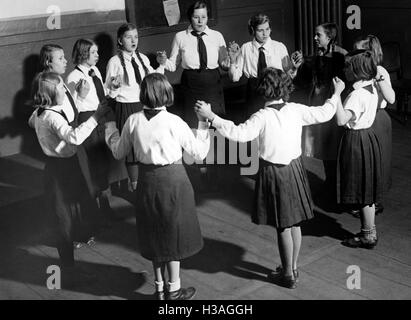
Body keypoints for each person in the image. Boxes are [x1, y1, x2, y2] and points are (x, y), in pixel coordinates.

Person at [195, 68, 345, 289]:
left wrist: (211, 117)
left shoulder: (261, 116)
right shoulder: (295, 109)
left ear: (263, 90)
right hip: (295, 170)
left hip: (274, 173)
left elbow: (239, 134)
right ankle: (292, 267)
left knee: (283, 225)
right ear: (286, 88)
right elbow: (324, 112)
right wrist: (337, 93)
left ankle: (286, 275)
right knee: (294, 223)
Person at [105, 73, 210, 300]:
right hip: (174, 181)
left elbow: (118, 152)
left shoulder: (133, 120)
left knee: (154, 234)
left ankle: (160, 289)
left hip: (146, 181)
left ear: (143, 94)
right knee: (173, 234)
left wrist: (110, 130)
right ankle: (174, 289)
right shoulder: (174, 122)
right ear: (166, 93)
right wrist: (203, 122)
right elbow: (200, 152)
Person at [28, 72, 110, 286]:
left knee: (69, 214)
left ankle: (69, 264)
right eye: (62, 88)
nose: (66, 91)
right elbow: (74, 137)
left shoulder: (41, 113)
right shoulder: (53, 116)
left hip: (61, 166)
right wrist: (96, 116)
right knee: (63, 218)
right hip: (61, 169)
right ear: (52, 93)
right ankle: (69, 270)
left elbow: (31, 122)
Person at [36, 44, 96, 249]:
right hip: (65, 145)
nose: (65, 61)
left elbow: (69, 113)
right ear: (48, 62)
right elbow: (44, 117)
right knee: (63, 200)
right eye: (60, 58)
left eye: (64, 57)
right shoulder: (47, 87)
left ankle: (79, 232)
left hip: (71, 142)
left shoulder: (60, 83)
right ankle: (68, 237)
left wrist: (79, 96)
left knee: (80, 188)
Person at [105, 23, 166, 192]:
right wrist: (115, 87)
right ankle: (135, 188)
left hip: (145, 106)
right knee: (132, 148)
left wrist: (161, 65)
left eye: (136, 37)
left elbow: (154, 80)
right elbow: (109, 93)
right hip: (126, 107)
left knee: (146, 143)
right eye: (128, 37)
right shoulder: (114, 62)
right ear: (120, 40)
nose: (133, 40)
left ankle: (148, 185)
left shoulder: (143, 59)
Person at [335, 50, 382, 249]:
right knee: (366, 189)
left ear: (356, 70)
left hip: (356, 140)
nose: (344, 69)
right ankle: (369, 232)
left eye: (347, 66)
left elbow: (341, 119)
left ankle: (367, 234)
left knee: (361, 189)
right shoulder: (371, 87)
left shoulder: (356, 95)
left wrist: (336, 94)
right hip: (368, 138)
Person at [66, 39, 114, 224]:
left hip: (101, 116)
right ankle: (97, 212)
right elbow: (68, 106)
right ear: (84, 54)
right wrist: (81, 96)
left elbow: (101, 94)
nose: (98, 55)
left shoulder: (95, 71)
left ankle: (105, 205)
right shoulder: (72, 77)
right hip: (87, 120)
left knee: (103, 160)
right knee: (93, 163)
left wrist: (112, 88)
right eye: (93, 52)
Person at [162, 0, 229, 128]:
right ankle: (198, 147)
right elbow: (173, 65)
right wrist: (163, 61)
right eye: (196, 17)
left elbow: (224, 65)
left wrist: (232, 58)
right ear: (190, 18)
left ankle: (215, 147)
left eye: (203, 17)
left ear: (207, 17)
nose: (200, 21)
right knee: (195, 124)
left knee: (215, 123)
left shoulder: (217, 36)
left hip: (213, 84)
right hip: (191, 85)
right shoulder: (180, 37)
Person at [228, 13, 303, 117]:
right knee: (254, 124)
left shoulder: (279, 47)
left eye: (267, 29)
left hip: (276, 91)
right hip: (254, 92)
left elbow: (289, 76)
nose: (265, 34)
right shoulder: (245, 48)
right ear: (253, 31)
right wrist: (232, 61)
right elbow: (235, 78)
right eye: (260, 30)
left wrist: (294, 68)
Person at [353, 35, 395, 216]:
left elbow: (391, 98)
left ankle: (373, 202)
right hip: (365, 119)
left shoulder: (380, 71)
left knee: (376, 162)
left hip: (377, 119)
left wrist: (378, 77)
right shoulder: (359, 70)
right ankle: (366, 201)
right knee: (365, 163)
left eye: (359, 52)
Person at [299, 22, 348, 160]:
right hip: (317, 101)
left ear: (329, 37)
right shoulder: (317, 55)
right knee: (319, 144)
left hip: (333, 102)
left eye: (318, 35)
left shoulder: (342, 55)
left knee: (332, 145)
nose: (315, 37)